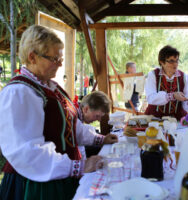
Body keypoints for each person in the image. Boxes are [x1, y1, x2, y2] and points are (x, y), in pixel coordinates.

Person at [0, 25, 112, 199]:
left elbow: (69, 127)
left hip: (60, 175)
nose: (60, 64)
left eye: (60, 58)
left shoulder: (50, 87)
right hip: (38, 184)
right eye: (55, 58)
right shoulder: (19, 93)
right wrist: (78, 166)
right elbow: (29, 152)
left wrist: (100, 139)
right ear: (32, 57)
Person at [144, 45, 188, 120]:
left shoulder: (185, 77)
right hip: (154, 118)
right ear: (162, 62)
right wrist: (172, 96)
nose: (175, 64)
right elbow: (150, 98)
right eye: (171, 61)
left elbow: (187, 102)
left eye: (177, 60)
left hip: (177, 120)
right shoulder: (153, 75)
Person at [77, 91, 118, 158]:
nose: (99, 120)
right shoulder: (73, 117)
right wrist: (103, 140)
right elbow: (80, 133)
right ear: (86, 109)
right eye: (97, 116)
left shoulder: (78, 113)